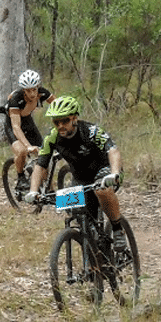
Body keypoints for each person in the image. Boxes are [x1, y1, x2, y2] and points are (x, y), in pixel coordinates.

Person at [25, 95, 129, 253]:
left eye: (65, 121)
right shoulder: (52, 138)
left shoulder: (90, 131)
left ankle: (117, 228)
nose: (60, 126)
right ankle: (93, 258)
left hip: (105, 170)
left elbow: (112, 150)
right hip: (81, 177)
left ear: (74, 118)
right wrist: (33, 191)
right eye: (56, 122)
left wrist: (113, 174)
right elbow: (40, 165)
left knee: (102, 190)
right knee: (75, 211)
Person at [2, 69, 53, 191]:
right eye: (28, 90)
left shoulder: (43, 93)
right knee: (22, 151)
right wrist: (28, 146)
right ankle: (20, 179)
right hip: (13, 124)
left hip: (28, 122)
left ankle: (49, 190)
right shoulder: (15, 99)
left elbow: (59, 105)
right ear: (23, 90)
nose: (32, 93)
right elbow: (16, 127)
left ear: (38, 86)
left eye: (34, 89)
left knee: (43, 154)